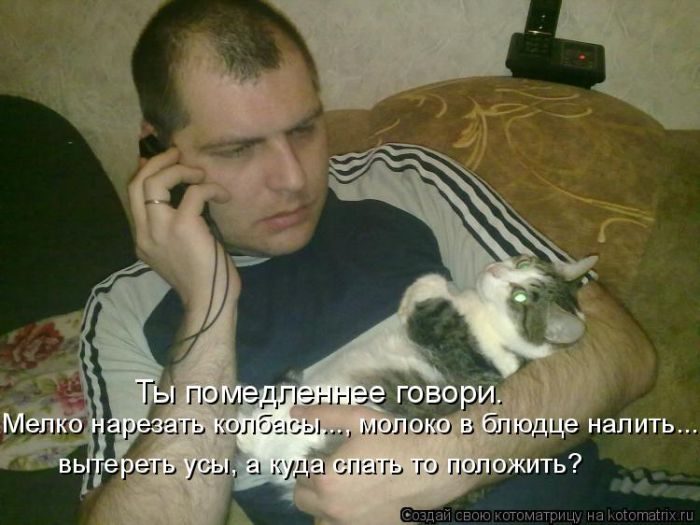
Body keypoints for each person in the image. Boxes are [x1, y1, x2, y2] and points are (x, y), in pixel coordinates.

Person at [76, 1, 671, 524]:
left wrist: (443, 462)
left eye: (304, 130)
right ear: (158, 148)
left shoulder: (406, 182)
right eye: (237, 149)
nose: (292, 179)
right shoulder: (126, 310)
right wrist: (209, 308)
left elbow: (622, 348)